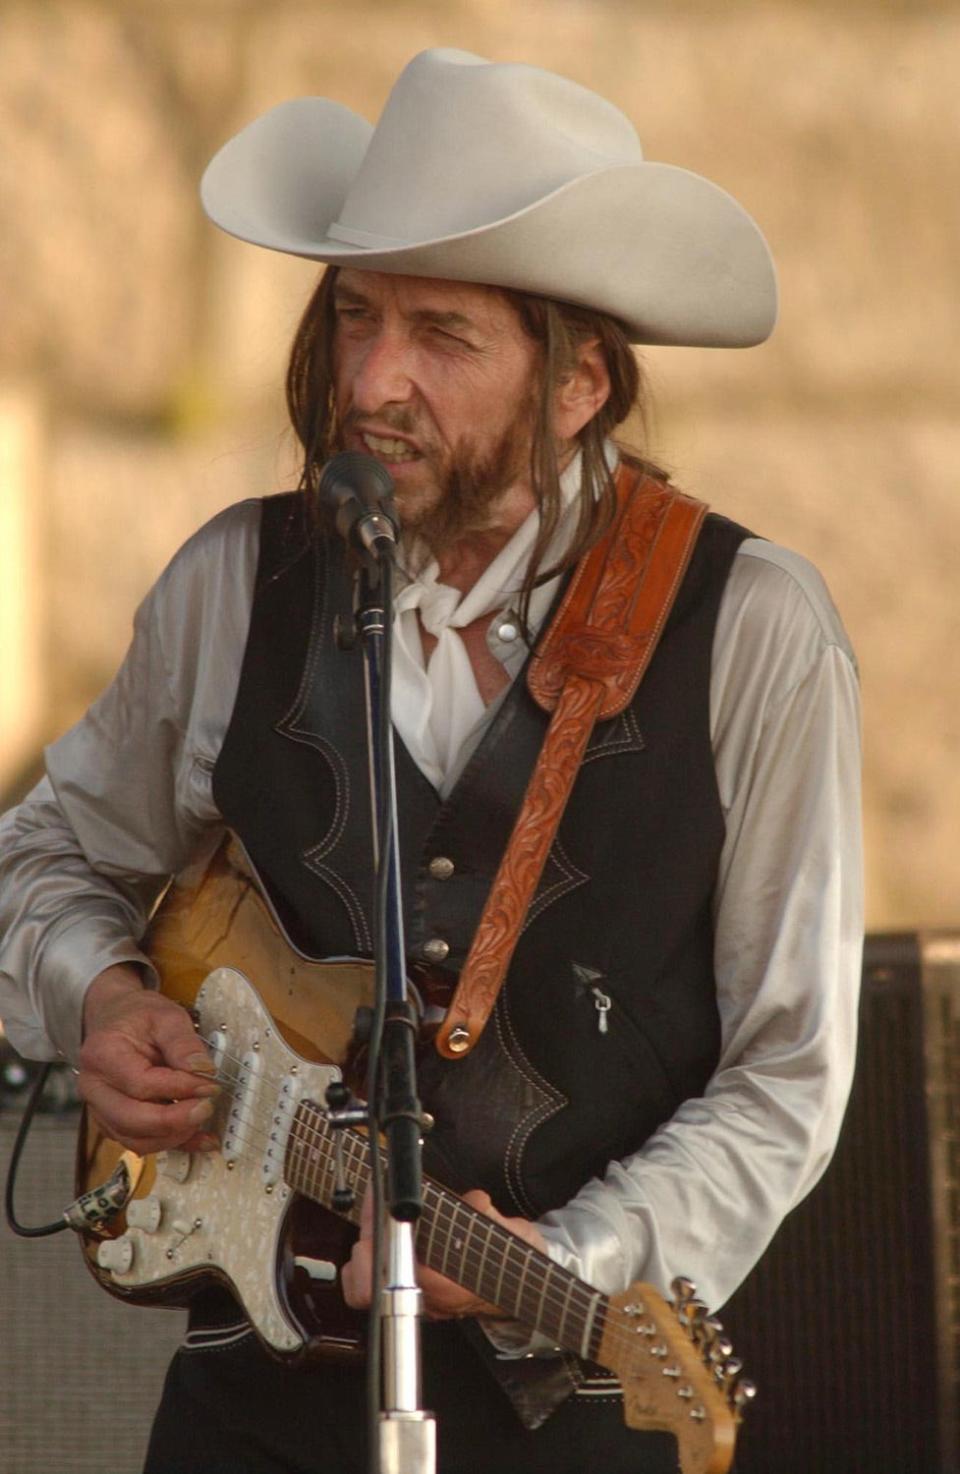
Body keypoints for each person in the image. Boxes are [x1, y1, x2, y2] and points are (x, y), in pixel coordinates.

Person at [0, 48, 862, 1474]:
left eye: (443, 335)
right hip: (246, 1413)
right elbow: (45, 852)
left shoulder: (757, 631)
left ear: (579, 378)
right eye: (355, 317)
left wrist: (575, 1258)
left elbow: (791, 1070)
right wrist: (97, 994)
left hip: (572, 1417)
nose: (374, 380)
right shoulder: (236, 584)